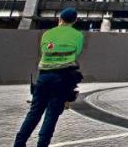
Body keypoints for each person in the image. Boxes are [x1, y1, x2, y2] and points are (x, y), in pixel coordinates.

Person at [14, 8, 84, 147]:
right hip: (63, 78)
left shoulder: (47, 34)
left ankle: (19, 143)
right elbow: (76, 53)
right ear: (75, 21)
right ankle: (42, 144)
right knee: (51, 115)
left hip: (44, 76)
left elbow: (44, 51)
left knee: (34, 113)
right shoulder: (78, 35)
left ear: (60, 19)